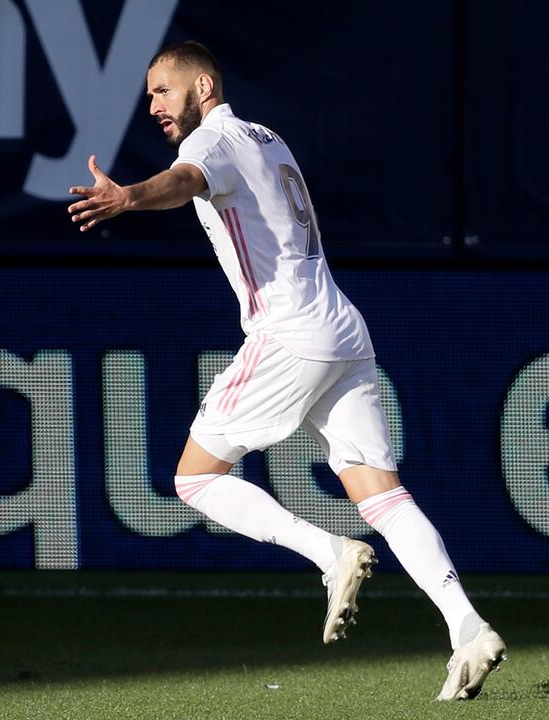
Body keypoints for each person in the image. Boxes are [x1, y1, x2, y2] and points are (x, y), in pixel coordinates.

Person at [66, 41, 505, 701]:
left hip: (290, 333)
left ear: (204, 86)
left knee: (194, 479)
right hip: (342, 327)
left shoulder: (211, 140)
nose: (152, 104)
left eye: (163, 90)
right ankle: (467, 628)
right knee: (382, 496)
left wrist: (128, 196)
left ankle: (331, 555)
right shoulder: (269, 139)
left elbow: (184, 182)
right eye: (150, 94)